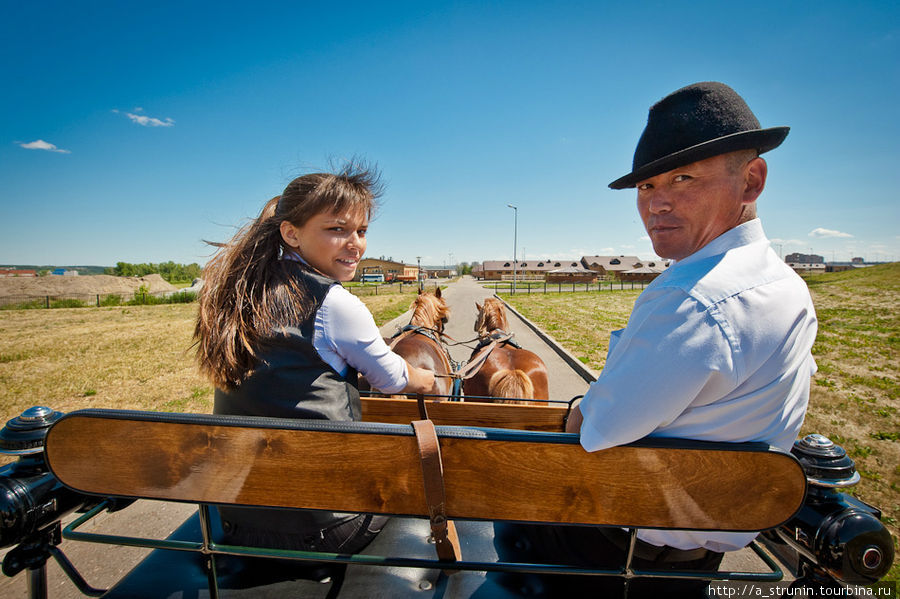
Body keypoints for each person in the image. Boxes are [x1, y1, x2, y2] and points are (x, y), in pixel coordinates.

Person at [500, 82, 818, 597]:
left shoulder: (691, 297)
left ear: (751, 180)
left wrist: (584, 404)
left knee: (500, 514)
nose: (657, 204)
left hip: (617, 552)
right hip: (702, 554)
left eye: (683, 178)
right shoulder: (787, 285)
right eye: (646, 187)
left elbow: (594, 431)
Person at [194, 163, 435, 559]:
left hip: (237, 518)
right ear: (291, 233)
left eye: (362, 231)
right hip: (326, 526)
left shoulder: (239, 295)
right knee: (418, 475)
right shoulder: (334, 303)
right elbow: (392, 379)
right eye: (337, 229)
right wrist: (427, 380)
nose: (356, 243)